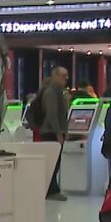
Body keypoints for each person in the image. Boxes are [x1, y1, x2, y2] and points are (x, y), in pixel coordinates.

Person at [40, 66, 70, 200]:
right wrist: (58, 132)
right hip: (51, 132)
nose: (66, 79)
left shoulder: (59, 92)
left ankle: (52, 189)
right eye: (63, 76)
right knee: (53, 162)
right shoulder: (52, 92)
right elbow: (52, 114)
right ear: (55, 76)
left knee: (55, 162)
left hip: (55, 131)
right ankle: (51, 190)